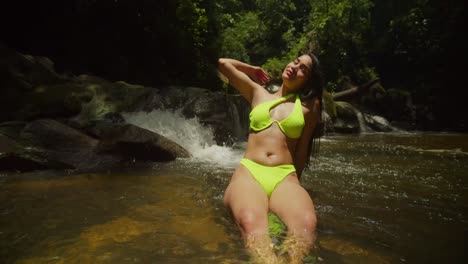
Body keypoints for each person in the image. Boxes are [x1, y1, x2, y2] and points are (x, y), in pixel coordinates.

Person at [218, 52, 323, 263]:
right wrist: (252, 69)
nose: (295, 67)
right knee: (250, 223)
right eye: (295, 61)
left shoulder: (310, 107)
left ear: (308, 80)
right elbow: (223, 64)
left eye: (304, 69)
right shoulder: (258, 92)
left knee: (305, 225)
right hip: (249, 173)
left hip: (285, 176)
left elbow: (302, 151)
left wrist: (297, 188)